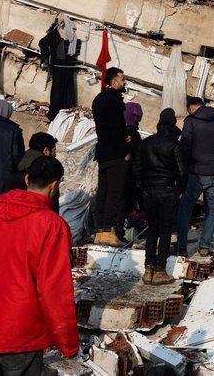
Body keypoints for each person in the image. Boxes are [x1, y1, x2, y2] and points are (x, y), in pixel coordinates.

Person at [0, 156, 79, 375]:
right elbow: (54, 290)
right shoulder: (51, 224)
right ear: (55, 186)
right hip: (21, 333)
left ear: (26, 179)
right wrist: (67, 342)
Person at [133, 108, 185, 285]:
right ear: (173, 123)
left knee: (152, 230)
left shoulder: (146, 143)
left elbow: (137, 171)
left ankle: (148, 270)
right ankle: (160, 270)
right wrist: (179, 190)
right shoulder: (174, 144)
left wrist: (142, 189)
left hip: (149, 191)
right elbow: (182, 171)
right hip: (168, 190)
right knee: (164, 232)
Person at [176, 97, 214, 257]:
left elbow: (184, 147)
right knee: (211, 211)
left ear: (192, 108)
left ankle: (181, 246)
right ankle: (204, 246)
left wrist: (187, 165)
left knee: (185, 208)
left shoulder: (191, 121)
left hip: (197, 173)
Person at [91, 67, 130, 247]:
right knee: (114, 192)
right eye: (122, 79)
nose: (124, 83)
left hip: (103, 152)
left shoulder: (99, 99)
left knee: (103, 192)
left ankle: (100, 230)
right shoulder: (113, 101)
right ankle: (108, 230)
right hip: (115, 154)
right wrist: (125, 150)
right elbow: (115, 129)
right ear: (114, 82)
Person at [119, 102, 144, 242]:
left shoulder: (119, 131)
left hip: (120, 174)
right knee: (127, 205)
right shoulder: (133, 134)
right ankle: (122, 232)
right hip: (131, 177)